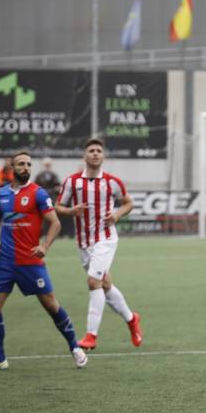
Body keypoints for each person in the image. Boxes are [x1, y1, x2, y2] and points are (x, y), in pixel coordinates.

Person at [0, 151, 87, 371]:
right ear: (12, 167)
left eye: (28, 164)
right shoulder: (1, 194)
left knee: (52, 306)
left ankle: (75, 347)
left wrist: (44, 246)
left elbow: (55, 223)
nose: (26, 167)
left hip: (30, 262)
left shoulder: (38, 193)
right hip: (5, 262)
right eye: (21, 164)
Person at [55, 138, 142, 350]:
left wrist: (117, 215)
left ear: (103, 156)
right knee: (105, 285)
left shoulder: (112, 182)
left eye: (98, 151)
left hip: (105, 238)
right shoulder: (72, 182)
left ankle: (91, 336)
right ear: (84, 156)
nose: (95, 153)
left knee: (93, 282)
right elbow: (58, 206)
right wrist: (71, 211)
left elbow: (128, 203)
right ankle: (132, 319)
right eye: (91, 150)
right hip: (83, 243)